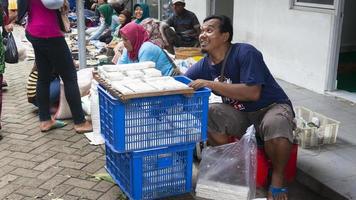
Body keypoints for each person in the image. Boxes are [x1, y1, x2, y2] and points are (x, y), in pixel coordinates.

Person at [185, 15, 295, 200]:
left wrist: (210, 84)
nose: (202, 35)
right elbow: (182, 84)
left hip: (270, 107)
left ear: (225, 36)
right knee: (209, 112)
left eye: (209, 30)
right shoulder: (204, 65)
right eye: (202, 31)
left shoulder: (245, 52)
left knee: (276, 123)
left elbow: (252, 93)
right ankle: (235, 164)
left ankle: (278, 178)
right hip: (242, 114)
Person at [25, 0, 92, 133]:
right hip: (49, 32)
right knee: (69, 77)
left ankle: (45, 120)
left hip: (34, 29)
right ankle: (80, 122)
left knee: (43, 77)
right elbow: (53, 3)